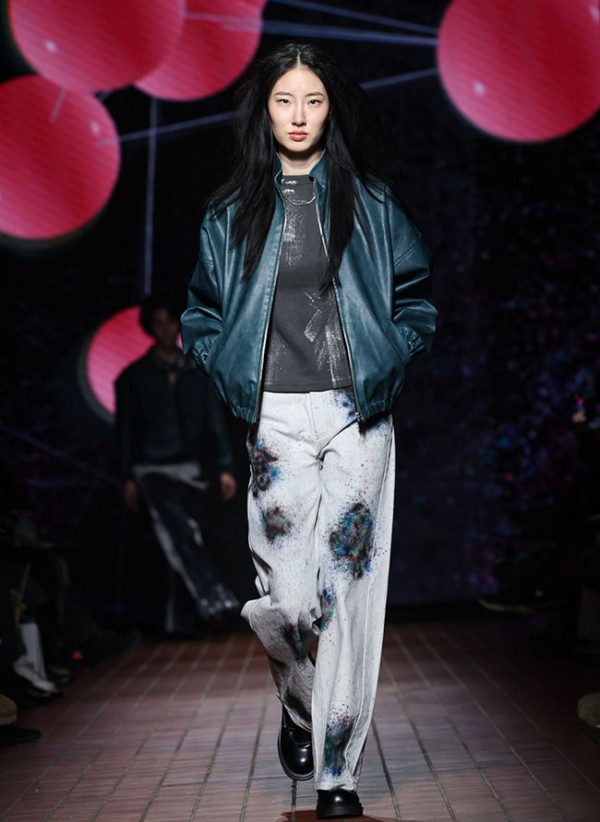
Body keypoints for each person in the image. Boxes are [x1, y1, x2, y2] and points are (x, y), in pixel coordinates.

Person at [181, 41, 437, 819]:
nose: (299, 115)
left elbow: (416, 300)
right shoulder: (229, 214)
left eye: (313, 100)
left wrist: (388, 361)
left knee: (346, 593)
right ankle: (300, 704)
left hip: (358, 417)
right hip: (276, 419)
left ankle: (336, 775)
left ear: (331, 109)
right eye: (285, 100)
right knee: (290, 602)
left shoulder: (373, 203)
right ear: (264, 110)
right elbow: (201, 314)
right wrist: (230, 372)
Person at [115, 292, 240, 637]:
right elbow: (125, 431)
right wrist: (127, 477)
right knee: (181, 531)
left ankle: (179, 620)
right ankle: (216, 599)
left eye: (170, 322)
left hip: (191, 470)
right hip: (151, 470)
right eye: (158, 324)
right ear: (149, 328)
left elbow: (215, 421)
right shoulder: (134, 377)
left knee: (181, 538)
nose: (165, 329)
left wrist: (226, 466)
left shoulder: (197, 372)